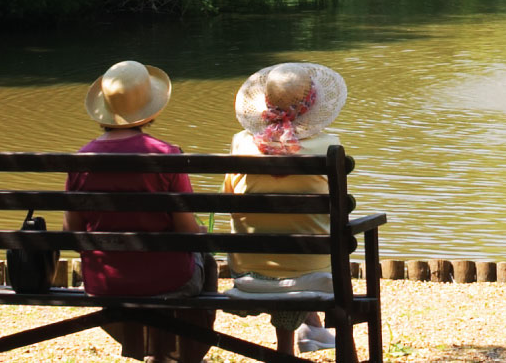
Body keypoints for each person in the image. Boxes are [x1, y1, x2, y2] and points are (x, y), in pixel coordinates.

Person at [66, 60, 216, 363]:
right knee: (203, 260)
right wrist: (201, 231)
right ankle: (181, 355)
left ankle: (150, 351)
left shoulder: (81, 160)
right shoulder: (166, 156)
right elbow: (187, 232)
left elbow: (72, 232)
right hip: (169, 281)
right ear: (149, 108)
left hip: (105, 282)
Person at [222, 62, 347, 354]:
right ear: (312, 106)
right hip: (314, 275)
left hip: (249, 275)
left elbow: (227, 204)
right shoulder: (329, 146)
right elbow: (339, 210)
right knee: (311, 246)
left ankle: (299, 339)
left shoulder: (241, 144)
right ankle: (311, 332)